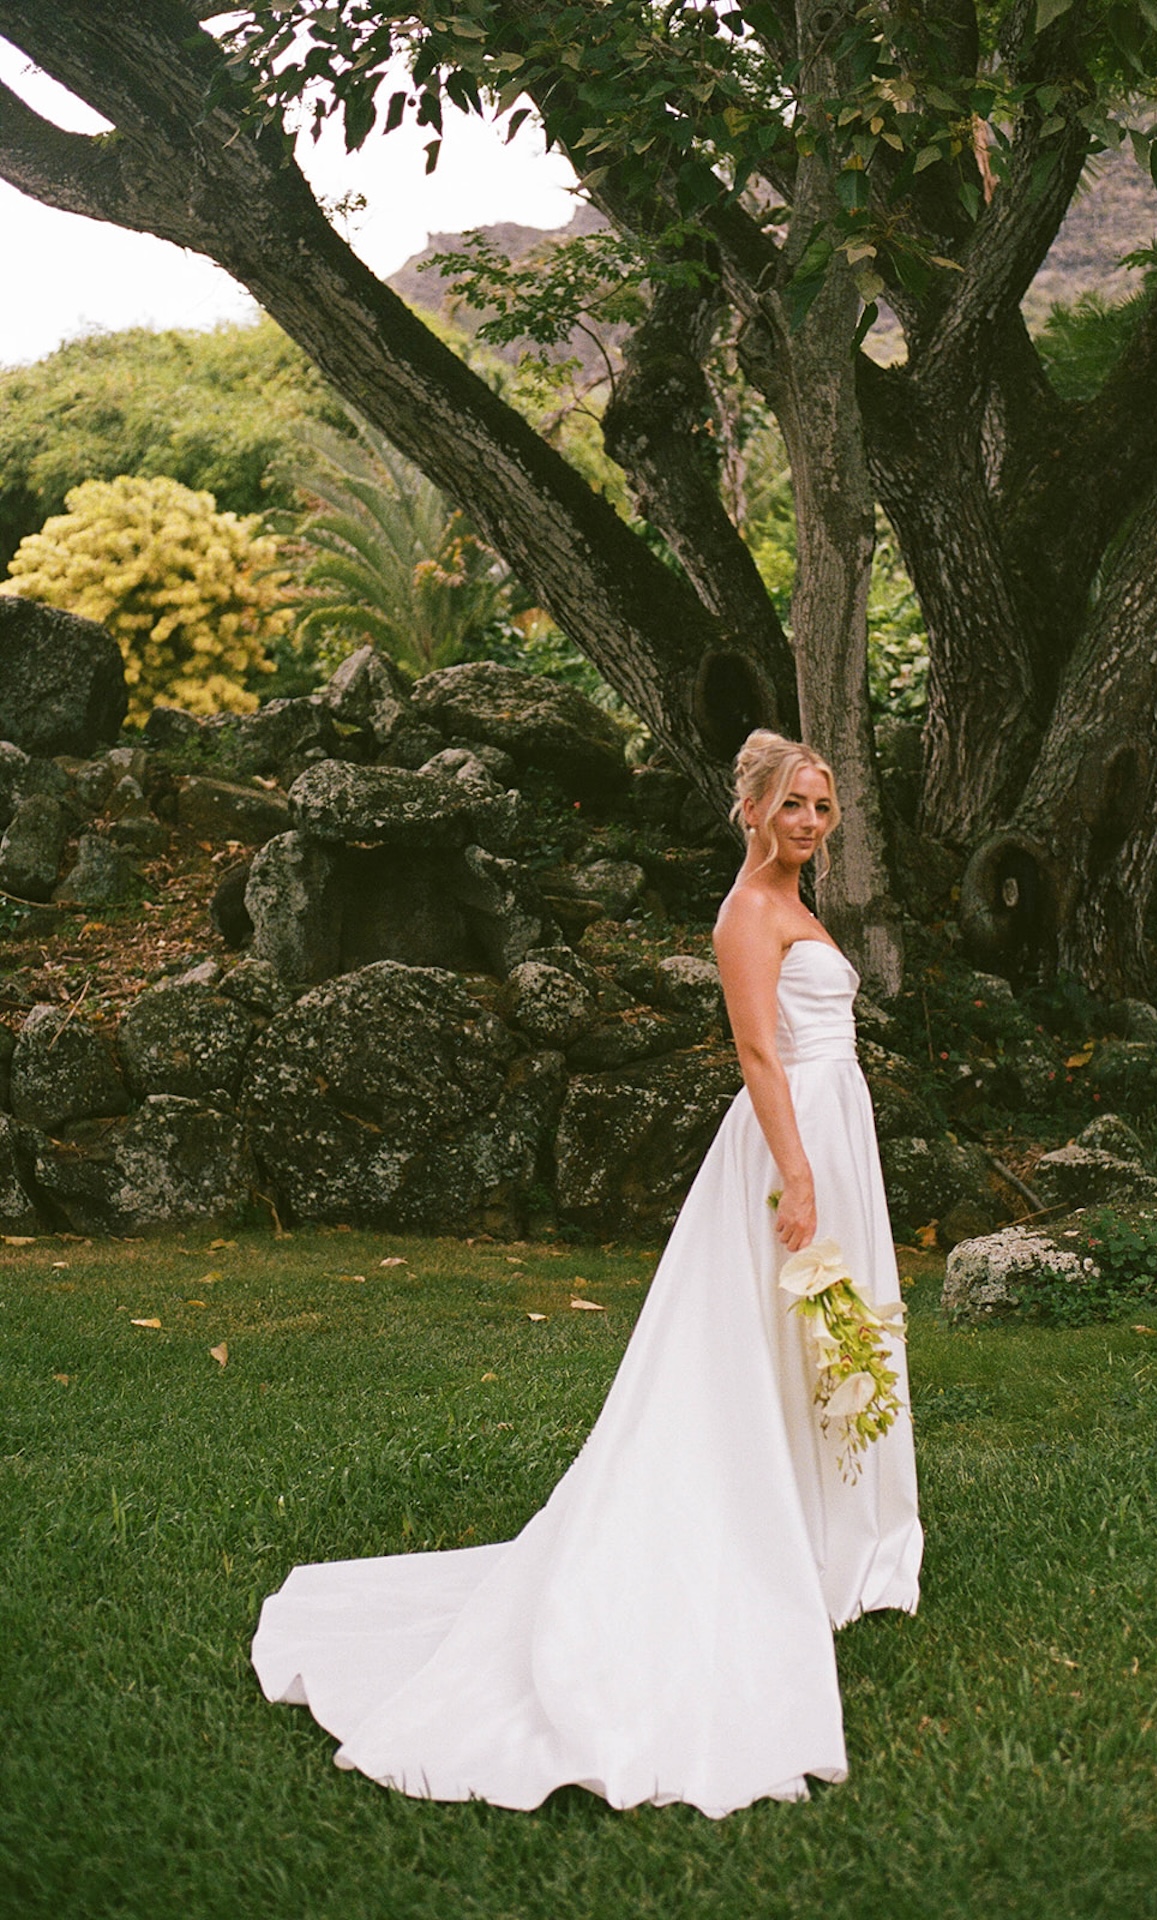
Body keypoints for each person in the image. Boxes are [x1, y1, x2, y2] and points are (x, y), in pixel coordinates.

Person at [252, 729, 922, 1818]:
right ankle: (765, 1526)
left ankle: (838, 1526)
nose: (810, 822)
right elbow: (758, 1053)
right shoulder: (747, 916)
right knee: (769, 1332)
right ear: (748, 810)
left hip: (834, 1128)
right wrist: (797, 1175)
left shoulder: (799, 906)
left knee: (832, 1328)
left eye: (823, 806)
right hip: (790, 1138)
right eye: (793, 805)